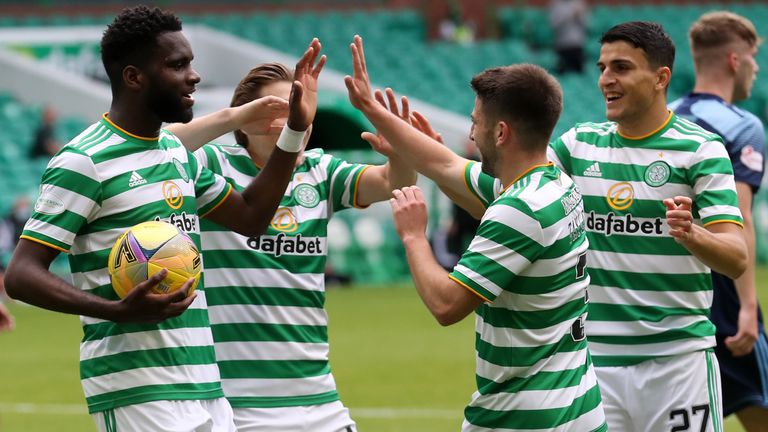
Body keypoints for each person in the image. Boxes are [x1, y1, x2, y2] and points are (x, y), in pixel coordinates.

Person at [348, 21, 749, 430]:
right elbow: (494, 191)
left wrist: (692, 233)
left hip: (675, 363)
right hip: (597, 365)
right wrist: (393, 128)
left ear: (661, 77)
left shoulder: (700, 150)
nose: (606, 79)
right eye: (602, 67)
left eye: (622, 68)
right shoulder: (579, 145)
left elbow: (736, 259)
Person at [3, 5, 324, 432]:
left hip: (206, 384)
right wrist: (115, 309)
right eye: (178, 65)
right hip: (137, 388)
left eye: (191, 63)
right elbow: (21, 274)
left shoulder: (174, 153)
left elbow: (250, 217)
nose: (194, 76)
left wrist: (294, 133)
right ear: (134, 77)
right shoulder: (85, 161)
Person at [345, 35, 607, 431]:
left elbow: (447, 305)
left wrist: (414, 236)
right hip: (577, 405)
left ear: (501, 133)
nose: (470, 135)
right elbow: (447, 165)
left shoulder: (519, 209)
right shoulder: (552, 183)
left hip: (523, 416)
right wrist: (372, 110)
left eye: (475, 123)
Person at [166, 62, 416, 432]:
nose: (299, 113)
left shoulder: (320, 171)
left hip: (320, 400)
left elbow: (393, 182)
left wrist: (400, 153)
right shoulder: (212, 165)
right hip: (237, 405)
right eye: (282, 106)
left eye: (303, 103)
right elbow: (157, 145)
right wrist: (233, 118)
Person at [669, 11, 767, 431]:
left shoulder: (663, 118)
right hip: (722, 290)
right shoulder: (742, 126)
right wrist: (748, 306)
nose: (757, 68)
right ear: (734, 60)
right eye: (754, 58)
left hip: (668, 289)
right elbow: (739, 214)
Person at [549, 0, 589, 74]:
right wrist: (570, 16)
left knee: (579, 73)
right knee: (563, 73)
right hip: (563, 45)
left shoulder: (579, 3)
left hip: (577, 45)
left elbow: (587, 25)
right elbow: (554, 25)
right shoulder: (556, 4)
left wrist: (579, 16)